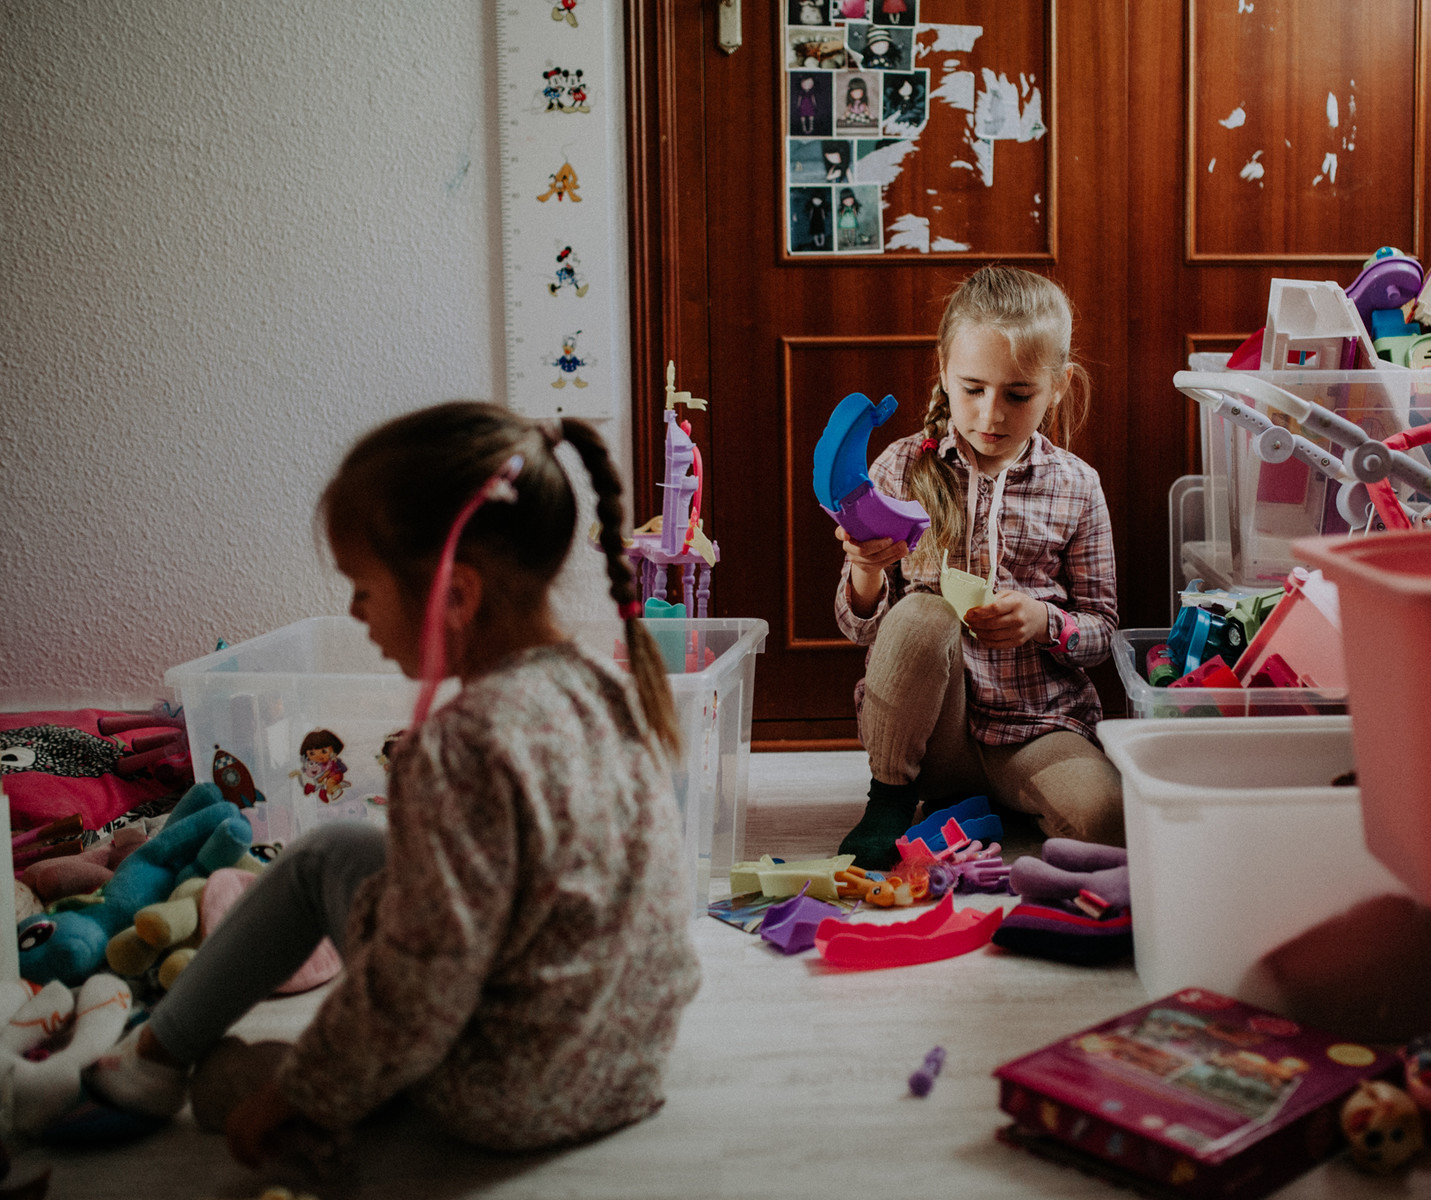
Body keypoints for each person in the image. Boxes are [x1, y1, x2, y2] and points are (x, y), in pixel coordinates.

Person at [86, 403, 702, 1163]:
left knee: (236, 1087)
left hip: (497, 1096)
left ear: (456, 595)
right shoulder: (606, 688)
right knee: (338, 847)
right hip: (626, 1070)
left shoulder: (461, 746)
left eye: (362, 585)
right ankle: (186, 1058)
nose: (354, 611)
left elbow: (421, 985)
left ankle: (163, 1063)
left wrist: (299, 1091)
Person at [833, 265, 1123, 869]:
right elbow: (861, 629)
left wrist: (1045, 623)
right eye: (972, 389)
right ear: (943, 369)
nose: (991, 414)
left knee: (1110, 824)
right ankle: (890, 798)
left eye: (1018, 395)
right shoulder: (900, 468)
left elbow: (1102, 633)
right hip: (932, 738)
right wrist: (864, 568)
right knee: (922, 613)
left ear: (1058, 386)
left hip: (1038, 726)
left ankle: (1003, 799)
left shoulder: (1076, 486)